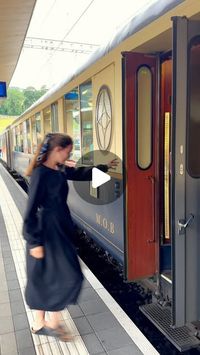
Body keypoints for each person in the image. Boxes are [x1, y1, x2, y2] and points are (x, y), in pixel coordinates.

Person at [22, 132, 118, 341]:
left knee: (54, 275)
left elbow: (80, 173)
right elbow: (29, 210)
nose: (69, 155)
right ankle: (45, 324)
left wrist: (103, 168)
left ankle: (48, 323)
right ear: (57, 150)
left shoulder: (58, 169)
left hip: (60, 228)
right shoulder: (41, 174)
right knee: (62, 275)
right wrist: (34, 241)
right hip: (47, 232)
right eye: (68, 151)